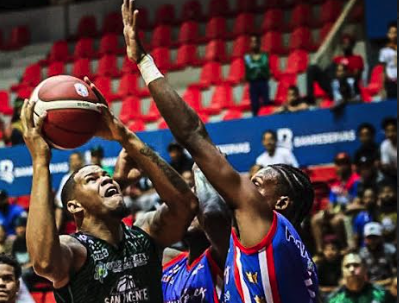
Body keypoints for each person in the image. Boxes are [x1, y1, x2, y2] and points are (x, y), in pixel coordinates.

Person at [121, 2, 319, 301]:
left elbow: (193, 139)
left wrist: (206, 164)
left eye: (256, 183)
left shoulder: (270, 231)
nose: (244, 187)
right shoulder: (289, 253)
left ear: (281, 202)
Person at [23, 66, 197, 303]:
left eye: (105, 176)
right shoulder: (75, 251)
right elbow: (43, 262)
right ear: (74, 206)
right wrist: (40, 162)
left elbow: (185, 204)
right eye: (91, 179)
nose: (105, 177)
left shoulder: (145, 235)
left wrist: (124, 135)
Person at [161, 167, 231, 302]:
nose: (191, 212)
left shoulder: (225, 256)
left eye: (198, 206)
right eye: (188, 208)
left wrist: (200, 169)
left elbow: (213, 215)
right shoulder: (168, 260)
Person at [306, 34, 364, 103]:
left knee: (334, 68)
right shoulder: (337, 59)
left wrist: (343, 73)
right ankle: (310, 98)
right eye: (343, 43)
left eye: (347, 43)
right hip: (332, 83)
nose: (345, 45)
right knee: (312, 68)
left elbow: (356, 76)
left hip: (346, 86)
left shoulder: (357, 59)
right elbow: (328, 73)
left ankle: (336, 93)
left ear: (352, 45)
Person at [328, 253, 394, 303]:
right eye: (347, 266)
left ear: (365, 269)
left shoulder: (381, 294)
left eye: (356, 265)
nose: (352, 269)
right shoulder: (333, 299)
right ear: (342, 271)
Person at [244, 34, 271, 116]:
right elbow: (248, 73)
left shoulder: (264, 56)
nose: (253, 44)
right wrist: (258, 68)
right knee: (254, 106)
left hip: (263, 82)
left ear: (259, 44)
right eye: (252, 42)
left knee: (266, 105)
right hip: (253, 84)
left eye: (255, 42)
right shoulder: (247, 57)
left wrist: (255, 68)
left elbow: (265, 69)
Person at [379, 22, 397, 99]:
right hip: (391, 83)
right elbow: (383, 69)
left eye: (395, 32)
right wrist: (382, 87)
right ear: (387, 34)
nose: (393, 35)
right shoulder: (384, 51)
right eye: (390, 32)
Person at [379, 117, 397, 182]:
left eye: (393, 130)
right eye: (388, 131)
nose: (390, 134)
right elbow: (386, 166)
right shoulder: (384, 145)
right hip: (392, 177)